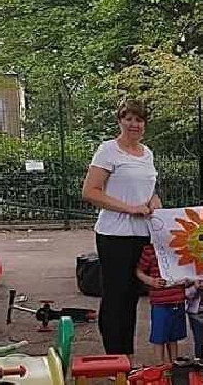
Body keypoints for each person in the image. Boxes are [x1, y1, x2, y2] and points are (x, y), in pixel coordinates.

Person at [82, 99, 161, 358]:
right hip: (115, 234)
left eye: (138, 120)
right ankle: (115, 357)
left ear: (144, 125)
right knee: (116, 295)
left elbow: (149, 191)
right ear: (120, 120)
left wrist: (154, 204)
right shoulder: (108, 151)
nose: (133, 124)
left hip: (142, 233)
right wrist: (130, 208)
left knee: (132, 297)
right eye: (128, 119)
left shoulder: (147, 153)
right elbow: (90, 192)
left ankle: (126, 356)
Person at [137, 243, 188, 364]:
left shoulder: (180, 247)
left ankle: (174, 364)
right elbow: (139, 271)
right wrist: (151, 281)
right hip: (160, 301)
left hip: (177, 299)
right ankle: (160, 365)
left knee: (174, 336)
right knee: (159, 336)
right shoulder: (150, 249)